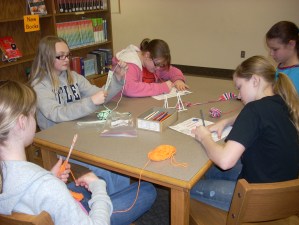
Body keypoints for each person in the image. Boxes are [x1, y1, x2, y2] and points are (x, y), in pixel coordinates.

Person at [0, 80, 156, 225]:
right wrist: (98, 187)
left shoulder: (20, 177)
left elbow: (32, 194)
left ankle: (106, 200)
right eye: (32, 115)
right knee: (147, 189)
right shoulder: (47, 186)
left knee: (99, 177)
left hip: (56, 209)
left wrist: (50, 176)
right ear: (22, 122)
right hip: (85, 219)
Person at [28, 36, 155, 202]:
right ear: (46, 57)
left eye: (68, 54)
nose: (67, 59)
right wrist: (89, 102)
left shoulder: (72, 76)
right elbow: (56, 113)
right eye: (61, 56)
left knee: (116, 153)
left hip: (79, 133)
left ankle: (117, 200)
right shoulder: (39, 85)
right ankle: (115, 203)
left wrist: (116, 78)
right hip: (59, 141)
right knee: (103, 163)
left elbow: (101, 94)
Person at [190, 55, 299, 211]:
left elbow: (225, 160)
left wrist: (204, 137)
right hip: (285, 195)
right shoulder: (282, 102)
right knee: (212, 170)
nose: (239, 95)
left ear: (255, 81)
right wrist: (226, 121)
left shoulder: (254, 110)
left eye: (239, 87)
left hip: (259, 201)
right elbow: (257, 118)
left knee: (188, 187)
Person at [113, 38, 188, 97]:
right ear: (147, 55)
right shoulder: (129, 64)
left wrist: (178, 80)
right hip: (122, 106)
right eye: (157, 64)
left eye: (161, 65)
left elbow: (172, 70)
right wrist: (161, 88)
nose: (158, 68)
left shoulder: (152, 64)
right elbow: (130, 89)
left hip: (141, 102)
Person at [266, 21, 299, 95]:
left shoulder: (297, 75)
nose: (271, 54)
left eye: (275, 49)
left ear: (291, 44)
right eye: (270, 49)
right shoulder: (282, 65)